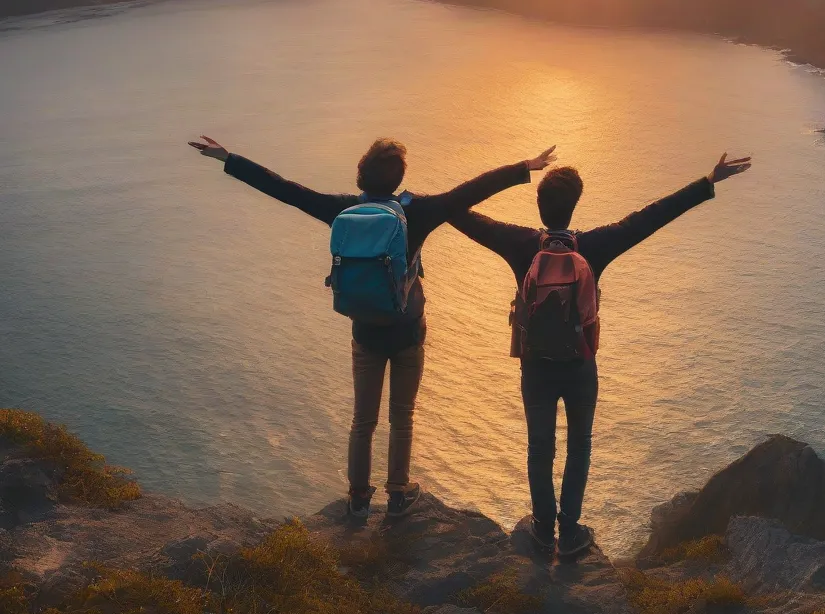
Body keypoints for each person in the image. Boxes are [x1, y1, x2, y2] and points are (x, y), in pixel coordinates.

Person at [188, 134, 556, 518]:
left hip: (364, 331)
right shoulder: (418, 211)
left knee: (362, 420)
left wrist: (230, 158)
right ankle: (398, 493)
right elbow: (469, 192)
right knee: (402, 415)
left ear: (361, 175)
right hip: (407, 331)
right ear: (398, 179)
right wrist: (522, 168)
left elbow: (287, 191)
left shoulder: (342, 210)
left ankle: (359, 497)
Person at [448, 152, 751, 558]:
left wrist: (419, 201)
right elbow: (651, 217)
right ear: (575, 205)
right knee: (579, 446)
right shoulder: (593, 246)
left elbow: (465, 216)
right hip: (580, 365)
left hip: (535, 366)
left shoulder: (519, 243)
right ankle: (569, 533)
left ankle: (541, 529)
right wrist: (706, 181)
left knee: (539, 447)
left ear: (540, 204)